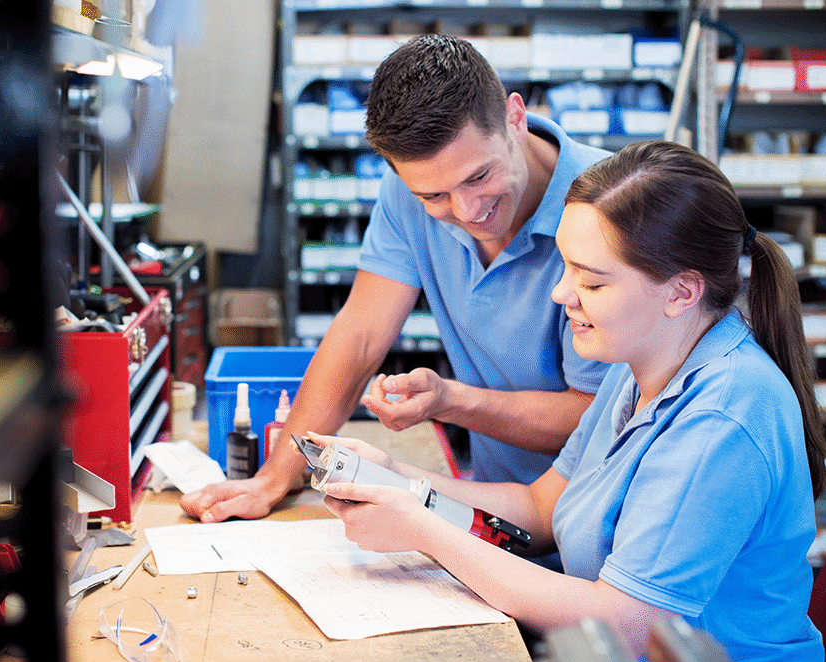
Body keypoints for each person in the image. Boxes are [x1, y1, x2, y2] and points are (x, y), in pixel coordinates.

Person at [317, 140, 826, 662]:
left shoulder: (722, 417)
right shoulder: (638, 364)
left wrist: (424, 530)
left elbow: (629, 625)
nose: (562, 294)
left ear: (681, 292)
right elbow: (540, 508)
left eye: (593, 281)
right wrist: (393, 477)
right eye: (565, 267)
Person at [181, 34, 612, 524]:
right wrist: (276, 477)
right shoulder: (409, 188)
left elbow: (601, 419)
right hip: (501, 510)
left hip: (599, 523)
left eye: (478, 177)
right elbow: (360, 334)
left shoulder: (611, 211)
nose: (467, 211)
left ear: (515, 117)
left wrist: (453, 401)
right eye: (434, 197)